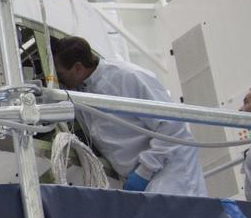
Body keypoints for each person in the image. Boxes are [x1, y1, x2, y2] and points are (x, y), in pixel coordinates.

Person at [51, 35, 206, 197]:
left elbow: (172, 126)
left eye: (61, 75)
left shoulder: (127, 77)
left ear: (78, 68)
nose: (59, 80)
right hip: (141, 176)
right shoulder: (81, 89)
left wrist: (144, 171)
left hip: (171, 171)